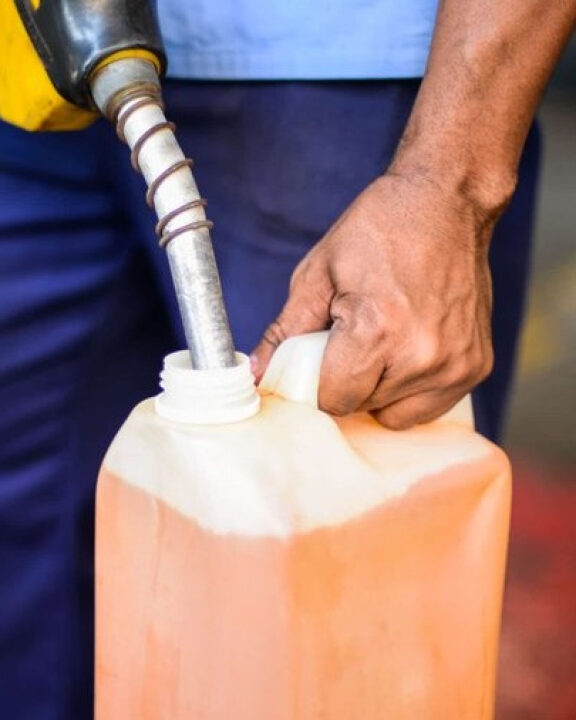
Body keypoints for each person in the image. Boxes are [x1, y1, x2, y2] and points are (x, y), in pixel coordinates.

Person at [0, 0, 574, 718]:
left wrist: (446, 180)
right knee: (27, 587)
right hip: (26, 73)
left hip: (330, 69)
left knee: (351, 602)